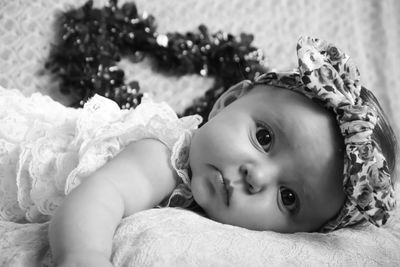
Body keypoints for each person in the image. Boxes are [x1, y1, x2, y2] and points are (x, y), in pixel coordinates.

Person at [0, 37, 397, 266]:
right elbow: (99, 197)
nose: (256, 176)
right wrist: (83, 255)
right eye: (264, 138)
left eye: (288, 197)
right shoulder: (164, 154)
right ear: (227, 102)